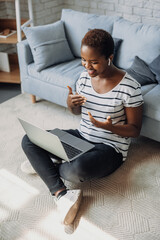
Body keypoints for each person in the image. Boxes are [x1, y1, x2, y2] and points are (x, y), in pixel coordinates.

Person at [21, 29, 143, 225]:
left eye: (94, 62)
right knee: (29, 139)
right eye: (84, 60)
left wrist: (110, 127)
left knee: (76, 170)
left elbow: (135, 130)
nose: (88, 66)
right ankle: (61, 194)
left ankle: (45, 166)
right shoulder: (83, 78)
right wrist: (71, 104)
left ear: (109, 57)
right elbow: (77, 114)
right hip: (81, 136)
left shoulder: (130, 87)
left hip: (110, 148)